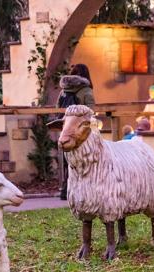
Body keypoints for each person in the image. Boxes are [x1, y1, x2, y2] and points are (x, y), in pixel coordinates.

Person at [56, 64, 95, 200]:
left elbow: (58, 109)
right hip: (81, 134)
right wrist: (93, 130)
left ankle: (65, 190)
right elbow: (91, 112)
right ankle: (84, 191)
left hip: (64, 131)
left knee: (67, 161)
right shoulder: (86, 90)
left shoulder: (63, 90)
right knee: (85, 161)